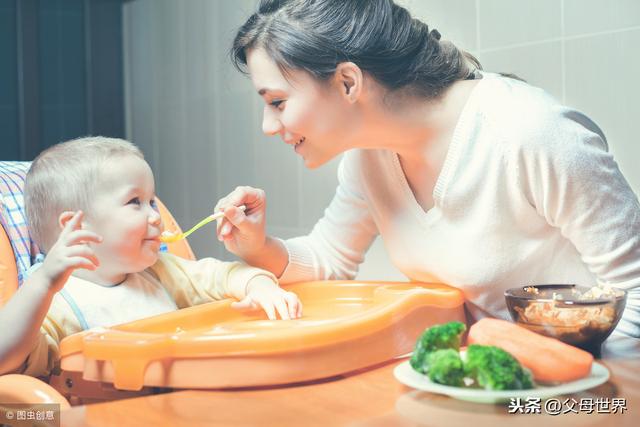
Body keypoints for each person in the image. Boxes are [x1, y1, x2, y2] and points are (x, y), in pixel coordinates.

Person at [214, 0, 640, 338]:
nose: (268, 127)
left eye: (277, 103)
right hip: (490, 387)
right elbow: (328, 260)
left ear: (348, 82)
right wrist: (257, 244)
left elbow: (635, 298)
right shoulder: (368, 158)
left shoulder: (530, 134)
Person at [0, 136, 302, 377]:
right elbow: (9, 359)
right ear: (76, 226)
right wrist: (42, 283)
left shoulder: (160, 271)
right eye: (136, 202)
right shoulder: (55, 305)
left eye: (152, 202)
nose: (155, 217)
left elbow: (223, 276)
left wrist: (259, 287)